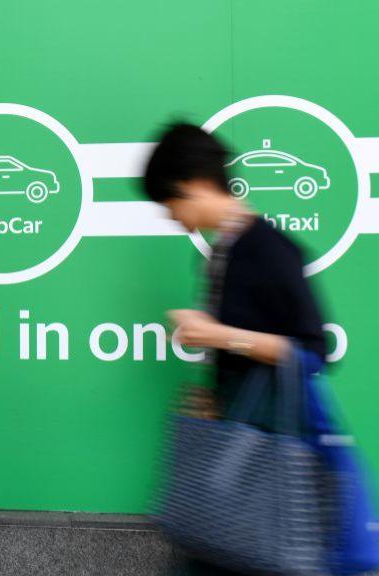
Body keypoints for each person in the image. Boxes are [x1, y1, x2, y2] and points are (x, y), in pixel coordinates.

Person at [141, 122, 329, 575]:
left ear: (195, 185)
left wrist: (219, 336)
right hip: (232, 455)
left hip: (264, 468)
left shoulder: (269, 248)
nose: (171, 216)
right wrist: (215, 396)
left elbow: (313, 350)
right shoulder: (222, 252)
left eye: (170, 203)